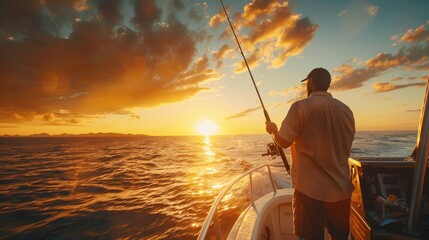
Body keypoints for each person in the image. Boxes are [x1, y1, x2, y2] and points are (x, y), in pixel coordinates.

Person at [265, 67, 355, 240]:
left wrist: (274, 131)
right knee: (340, 237)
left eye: (307, 82)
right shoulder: (346, 111)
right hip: (340, 190)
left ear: (311, 82)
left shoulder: (301, 107)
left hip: (309, 191)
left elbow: (283, 142)